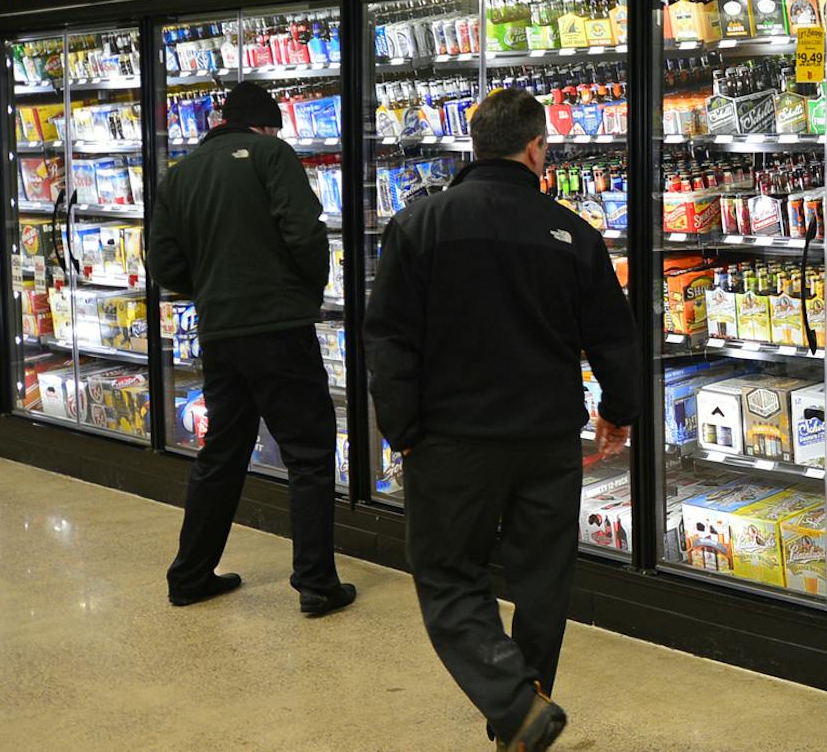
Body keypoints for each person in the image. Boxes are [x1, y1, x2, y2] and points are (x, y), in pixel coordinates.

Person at [367, 88, 637, 752]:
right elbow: (615, 336)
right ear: (536, 148)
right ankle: (521, 713)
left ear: (474, 144)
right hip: (546, 438)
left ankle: (516, 706)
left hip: (452, 441)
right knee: (543, 582)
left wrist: (401, 428)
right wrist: (617, 411)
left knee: (449, 576)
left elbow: (389, 339)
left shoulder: (419, 226)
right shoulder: (574, 234)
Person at [149, 80, 353, 615]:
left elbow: (163, 263)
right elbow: (304, 232)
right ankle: (315, 582)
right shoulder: (270, 154)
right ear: (265, 125)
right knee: (308, 452)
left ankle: (189, 575)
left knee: (222, 452)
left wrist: (213, 289)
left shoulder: (181, 174)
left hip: (220, 331)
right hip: (280, 327)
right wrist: (305, 291)